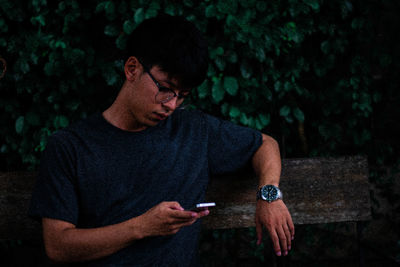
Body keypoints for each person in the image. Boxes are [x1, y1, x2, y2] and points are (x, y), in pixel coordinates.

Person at [29, 15, 294, 266]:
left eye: (182, 95)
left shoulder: (194, 130)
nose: (171, 104)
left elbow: (264, 144)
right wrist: (141, 227)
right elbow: (58, 245)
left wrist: (268, 195)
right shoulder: (70, 146)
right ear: (132, 68)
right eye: (165, 89)